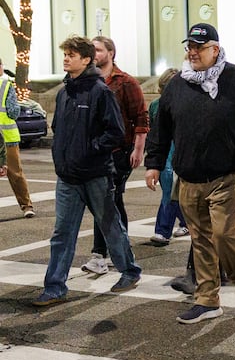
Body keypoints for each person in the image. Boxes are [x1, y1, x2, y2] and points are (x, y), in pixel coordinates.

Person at [144, 23, 235, 324]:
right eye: (190, 47)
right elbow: (161, 129)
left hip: (226, 175)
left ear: (215, 50)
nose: (192, 52)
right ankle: (208, 300)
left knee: (222, 235)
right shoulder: (178, 84)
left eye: (199, 46)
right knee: (201, 241)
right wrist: (154, 163)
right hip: (188, 178)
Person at [31, 35, 142, 307]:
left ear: (86, 59)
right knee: (62, 234)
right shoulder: (64, 91)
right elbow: (58, 129)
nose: (66, 58)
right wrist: (62, 155)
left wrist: (90, 148)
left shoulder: (100, 91)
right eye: (65, 54)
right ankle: (55, 287)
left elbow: (115, 132)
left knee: (111, 228)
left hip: (95, 175)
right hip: (68, 177)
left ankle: (129, 271)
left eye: (71, 54)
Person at [81, 36, 149, 275]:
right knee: (110, 201)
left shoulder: (125, 82)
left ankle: (100, 253)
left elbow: (140, 116)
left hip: (120, 151)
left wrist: (139, 148)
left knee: (108, 200)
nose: (94, 53)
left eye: (98, 49)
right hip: (96, 152)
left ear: (110, 53)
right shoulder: (87, 81)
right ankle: (118, 247)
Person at [149, 68, 188, 246]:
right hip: (165, 151)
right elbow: (154, 133)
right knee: (170, 190)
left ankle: (163, 230)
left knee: (172, 191)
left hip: (180, 149)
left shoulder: (186, 104)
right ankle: (181, 223)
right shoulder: (156, 106)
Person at [0, 58, 34, 218]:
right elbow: (14, 112)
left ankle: (27, 205)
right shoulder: (7, 85)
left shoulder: (6, 85)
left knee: (15, 172)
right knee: (15, 173)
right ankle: (26, 206)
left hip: (7, 137)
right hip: (8, 138)